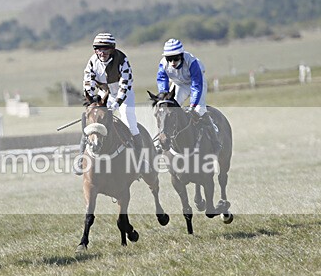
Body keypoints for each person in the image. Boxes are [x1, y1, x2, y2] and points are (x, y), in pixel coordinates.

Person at [74, 32, 148, 174]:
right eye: (99, 48)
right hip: (104, 94)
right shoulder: (92, 62)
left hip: (124, 96)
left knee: (129, 123)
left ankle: (140, 160)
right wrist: (91, 102)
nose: (102, 52)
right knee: (90, 119)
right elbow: (88, 83)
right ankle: (81, 157)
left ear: (112, 49)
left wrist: (116, 103)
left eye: (106, 48)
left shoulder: (122, 60)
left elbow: (124, 86)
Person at [156, 38, 221, 152]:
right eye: (169, 58)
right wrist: (164, 96)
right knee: (167, 111)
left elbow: (196, 85)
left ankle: (215, 140)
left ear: (181, 55)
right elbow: (162, 80)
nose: (172, 62)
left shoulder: (192, 62)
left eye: (175, 58)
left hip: (196, 83)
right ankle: (163, 140)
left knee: (199, 110)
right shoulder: (163, 63)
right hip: (179, 84)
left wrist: (193, 105)